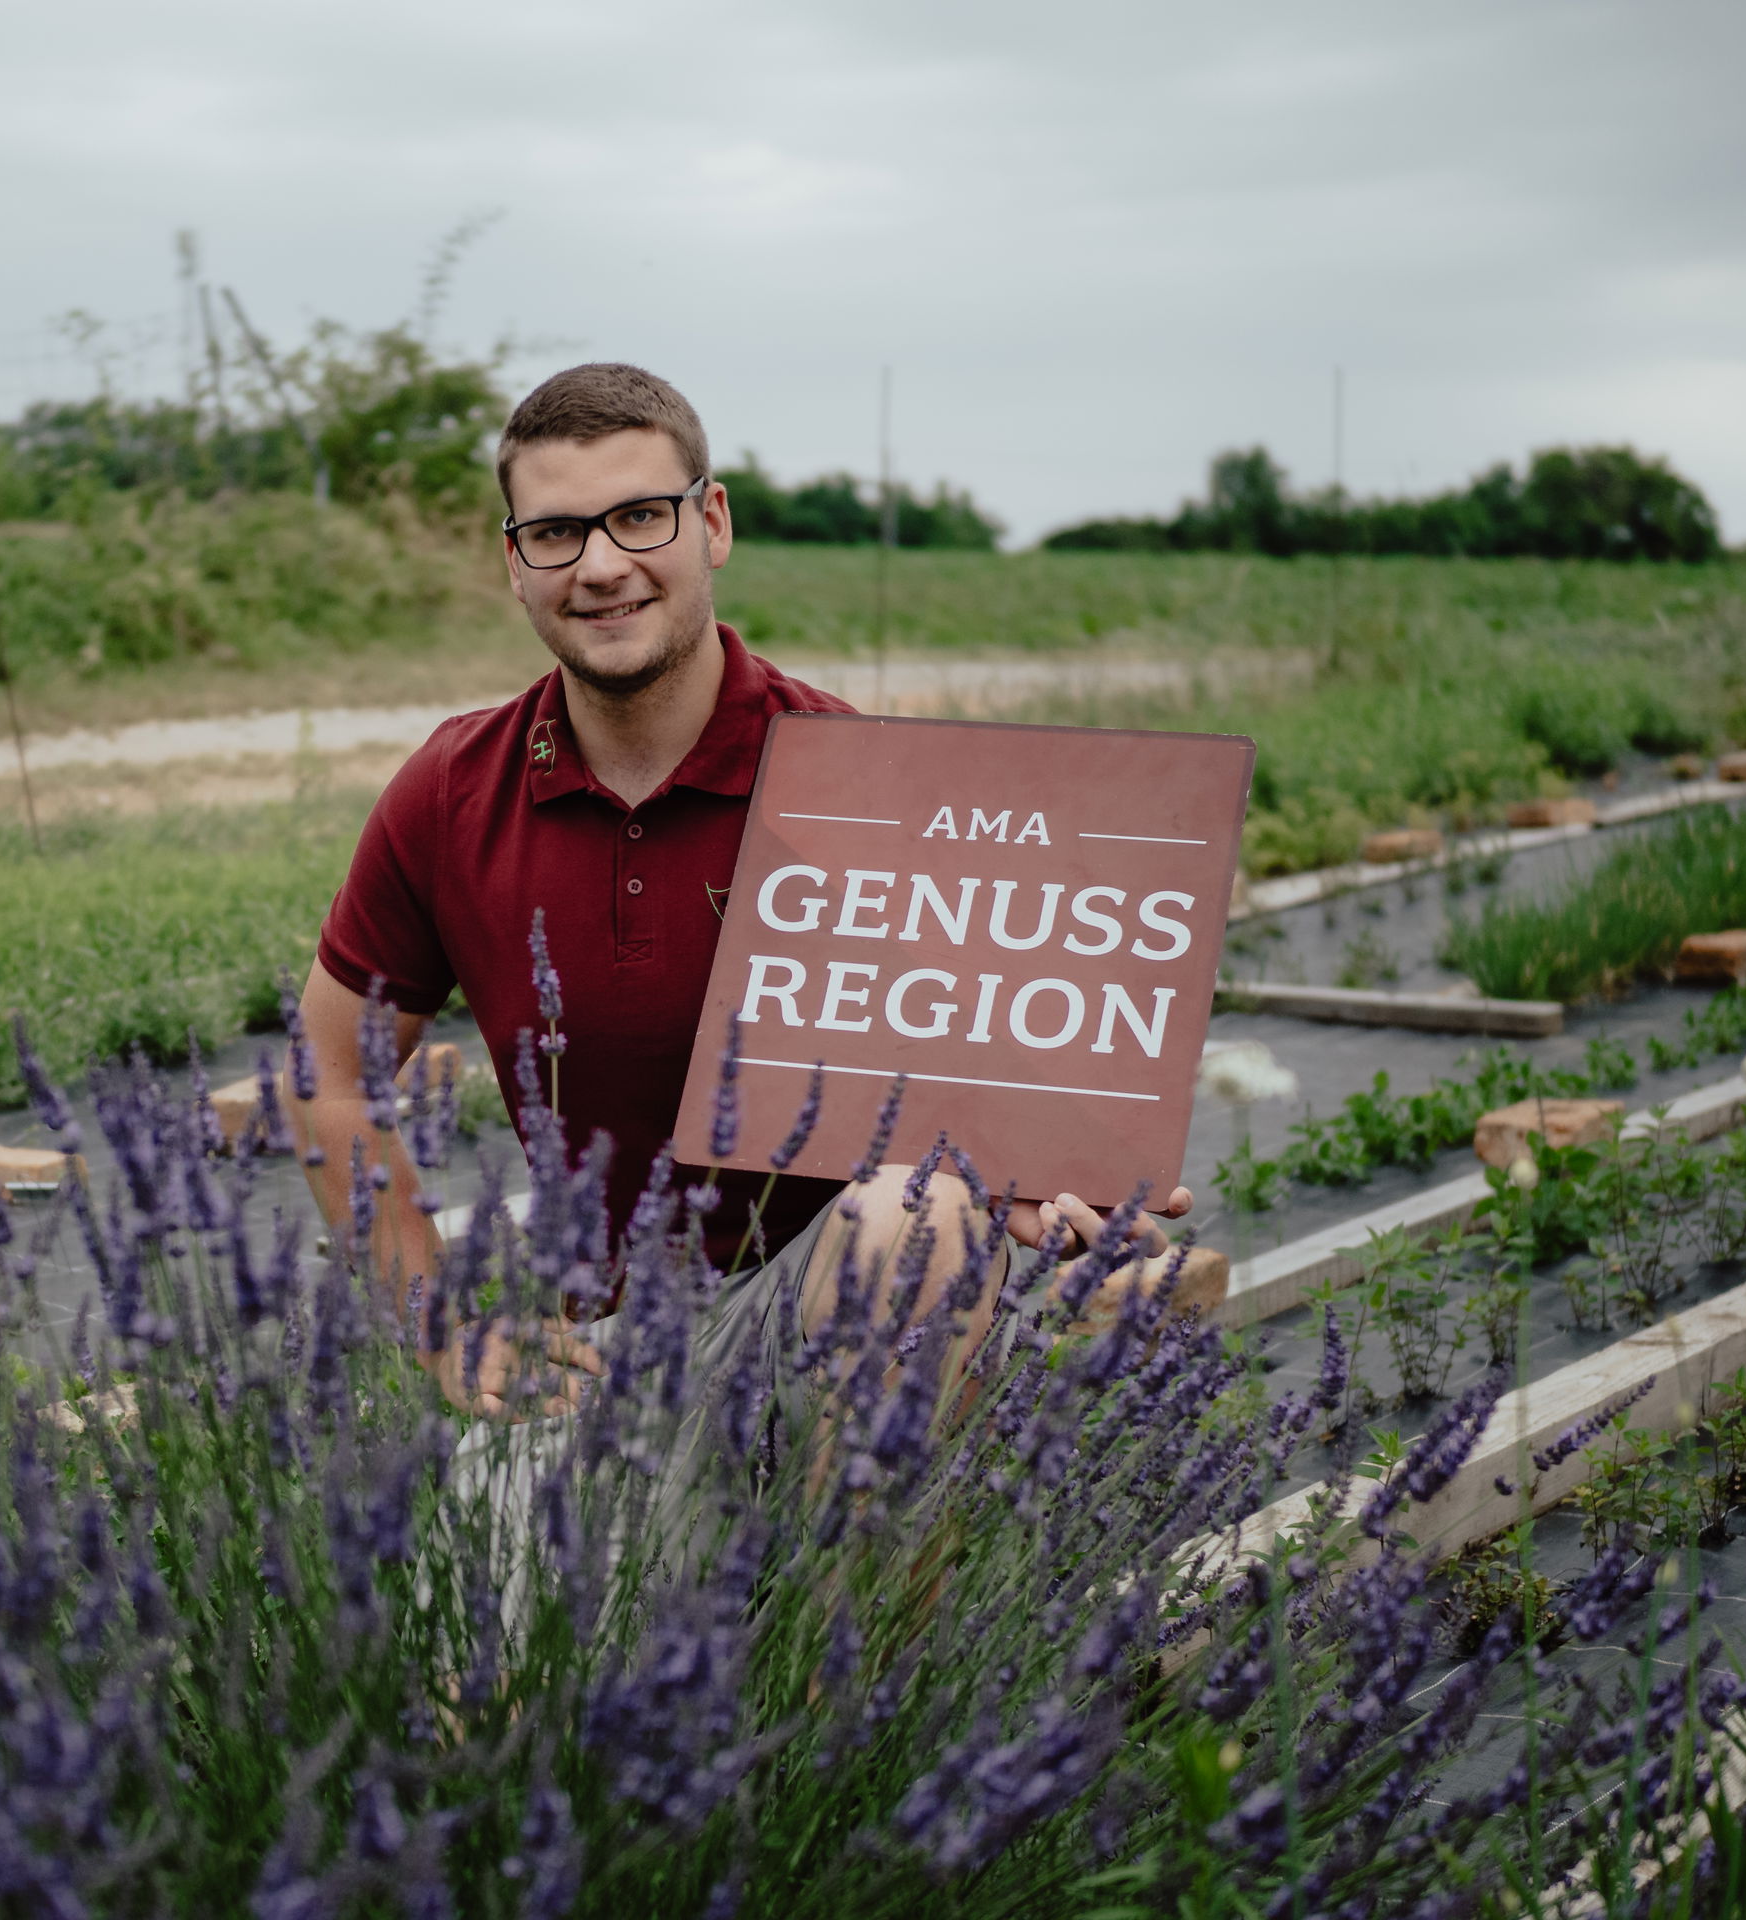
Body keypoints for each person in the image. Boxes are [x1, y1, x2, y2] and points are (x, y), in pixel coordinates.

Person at [295, 362, 1191, 1416]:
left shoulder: (867, 786)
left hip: (826, 1321)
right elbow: (327, 1076)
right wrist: (438, 1322)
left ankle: (856, 1528)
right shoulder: (455, 789)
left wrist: (1045, 1162)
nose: (600, 566)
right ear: (515, 562)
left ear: (711, 522)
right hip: (599, 1351)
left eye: (640, 517)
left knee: (921, 1216)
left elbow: (992, 1074)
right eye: (556, 532)